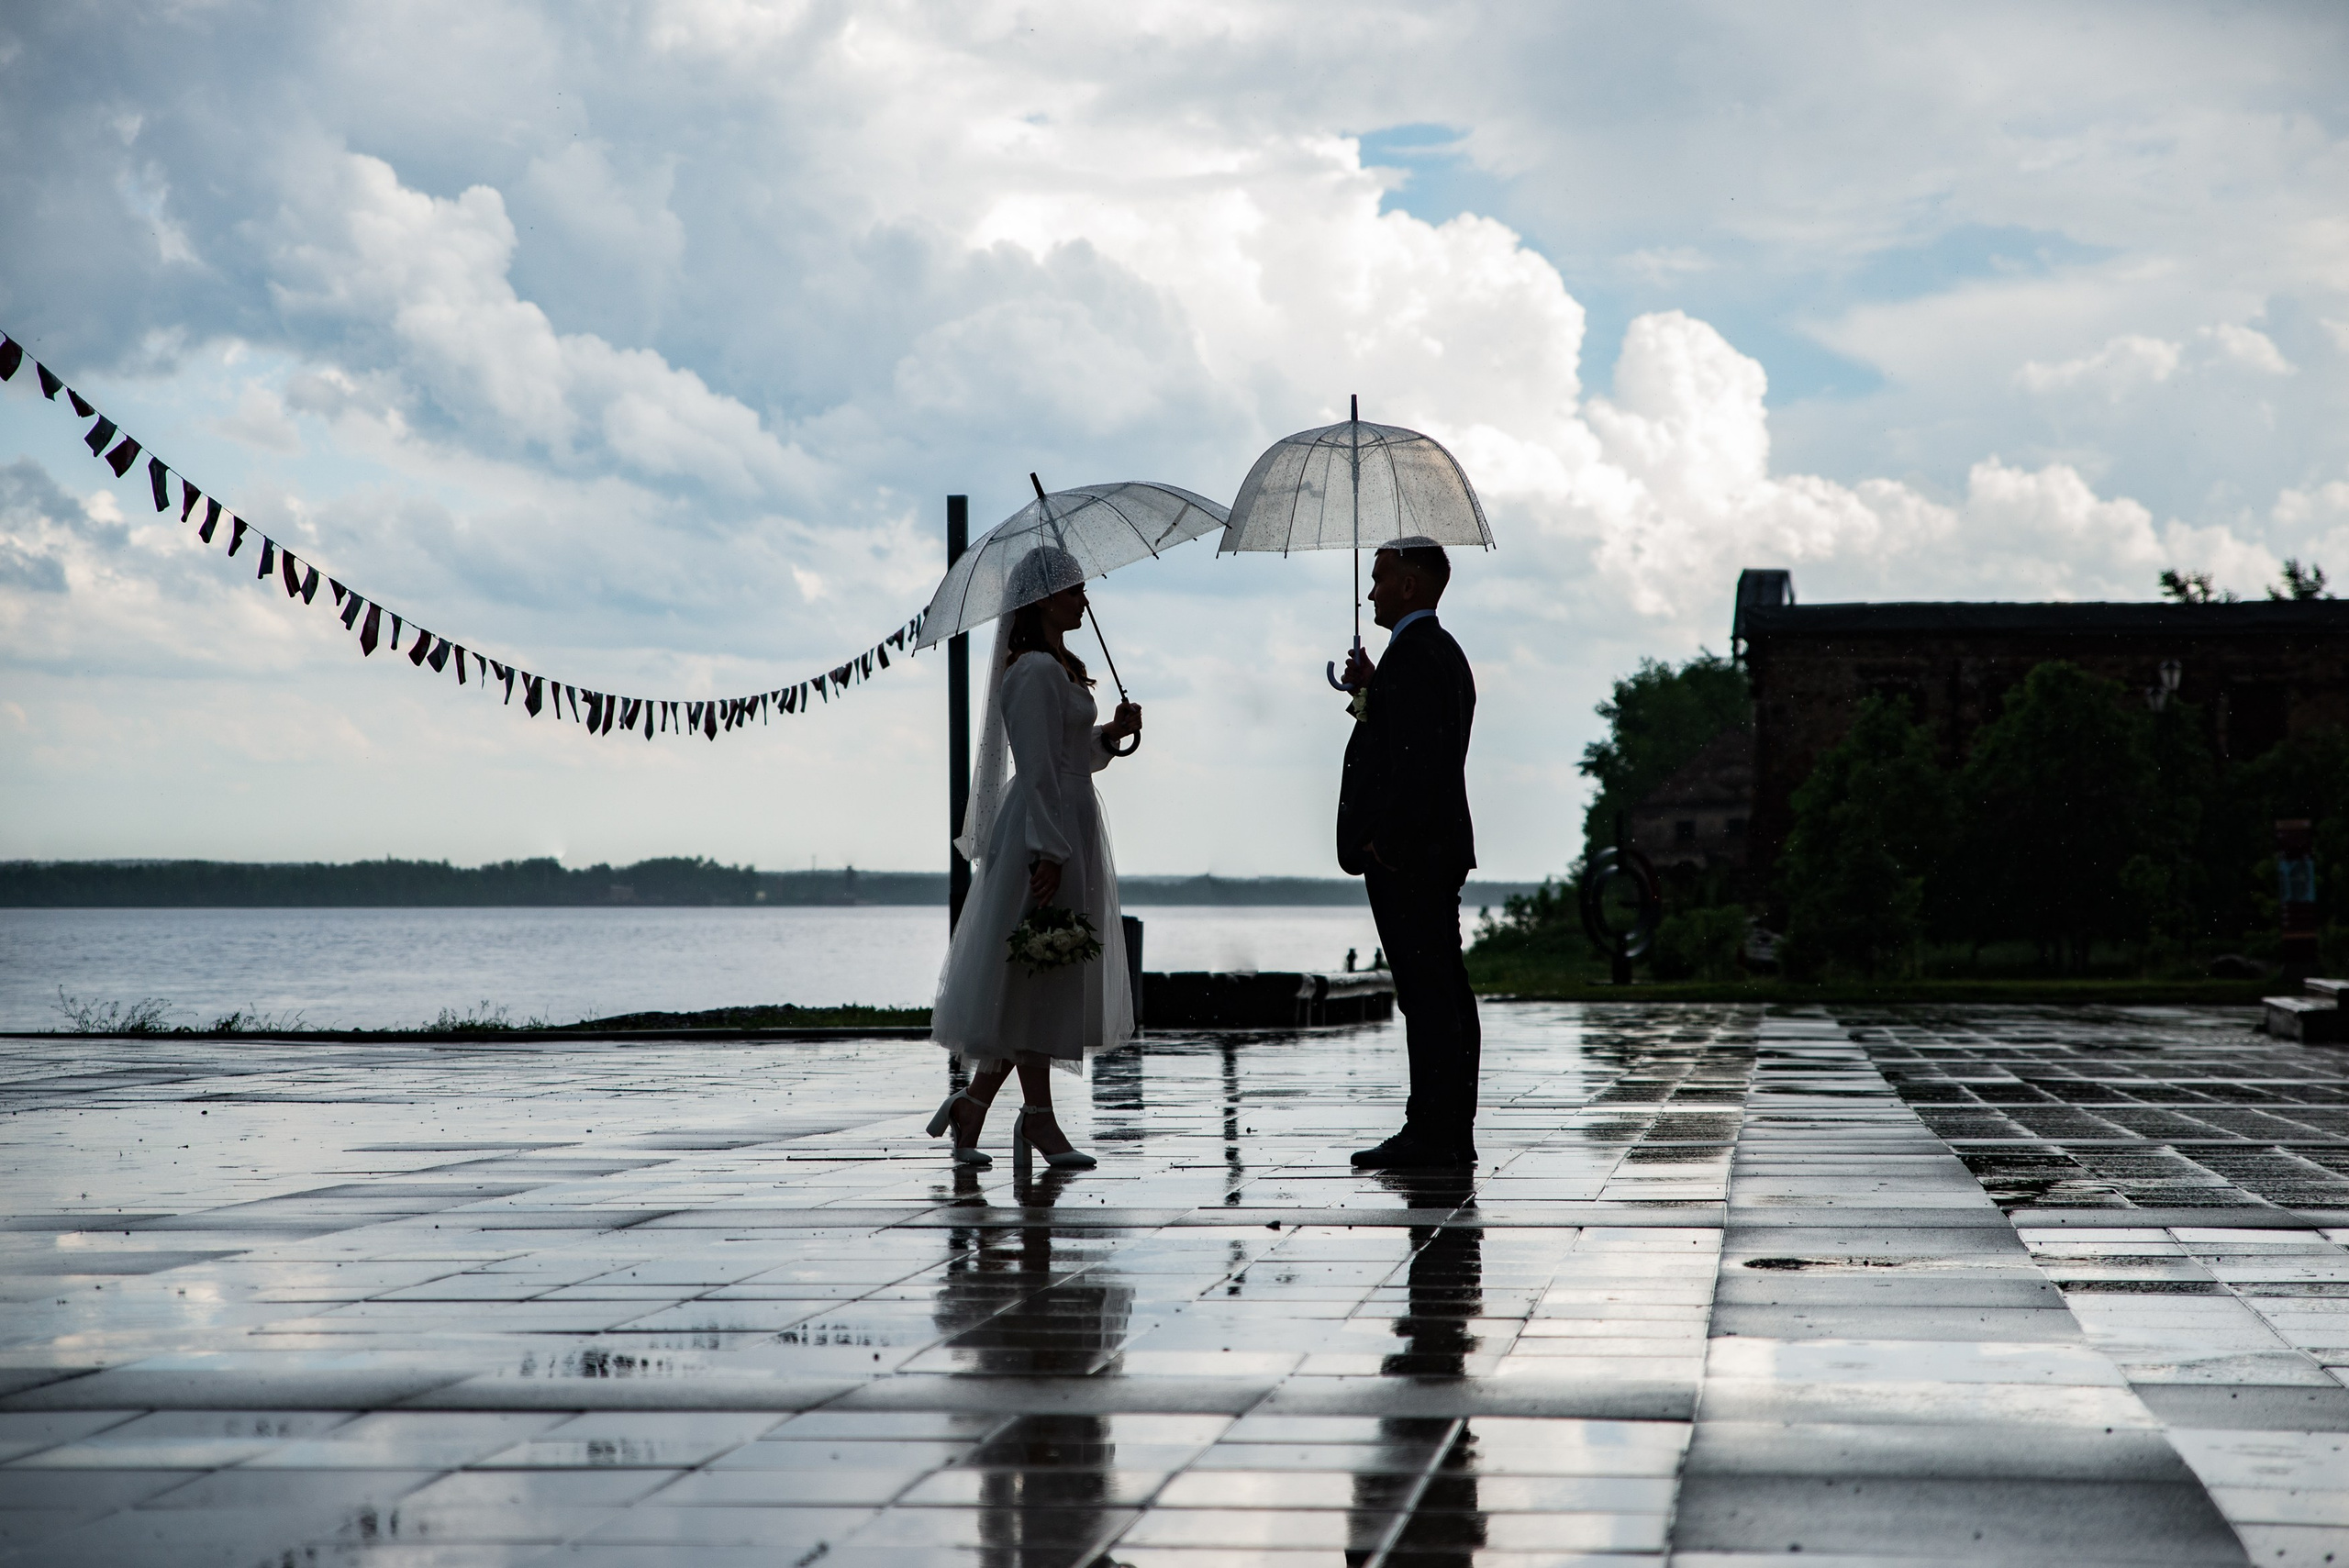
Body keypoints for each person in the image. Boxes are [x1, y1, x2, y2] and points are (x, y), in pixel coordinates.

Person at [928, 547, 1143, 1170]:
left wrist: (1110, 735)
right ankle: (1037, 1119)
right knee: (1034, 974)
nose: (1084, 598)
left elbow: (1073, 757)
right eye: (1074, 588)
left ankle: (975, 1106)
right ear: (1044, 597)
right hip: (1044, 827)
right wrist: (1047, 850)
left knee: (1036, 978)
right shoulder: (1031, 673)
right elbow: (1040, 768)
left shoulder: (1059, 669)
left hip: (1069, 820)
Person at [1337, 537, 1480, 1168]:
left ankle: (1433, 1132)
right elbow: (1412, 738)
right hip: (1432, 849)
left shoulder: (1417, 656)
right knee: (1442, 990)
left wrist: (1384, 845)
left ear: (1409, 586)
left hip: (1413, 856)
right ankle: (1448, 1130)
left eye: (1379, 577)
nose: (1370, 590)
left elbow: (1419, 765)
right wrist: (1373, 689)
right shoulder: (1431, 653)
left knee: (1427, 995)